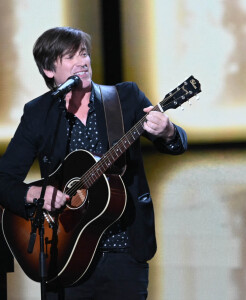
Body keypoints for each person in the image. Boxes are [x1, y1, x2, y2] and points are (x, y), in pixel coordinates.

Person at [0, 27, 187, 299]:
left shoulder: (124, 98)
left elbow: (176, 144)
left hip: (124, 249)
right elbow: (4, 178)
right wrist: (33, 193)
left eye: (84, 54)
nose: (82, 62)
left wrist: (168, 131)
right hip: (62, 251)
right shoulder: (39, 112)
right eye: (69, 57)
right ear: (49, 70)